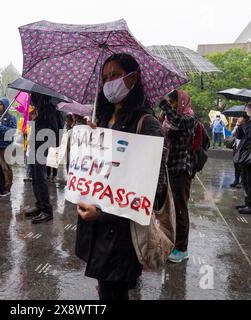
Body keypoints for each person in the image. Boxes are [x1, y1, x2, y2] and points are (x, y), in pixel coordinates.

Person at [75, 53, 168, 300]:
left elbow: (152, 188)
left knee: (113, 292)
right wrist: (92, 141)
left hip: (121, 229)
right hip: (97, 225)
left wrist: (103, 214)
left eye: (115, 75)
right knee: (106, 288)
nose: (109, 83)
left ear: (133, 78)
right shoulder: (103, 119)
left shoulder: (147, 124)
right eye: (105, 78)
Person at [160, 90, 196, 264]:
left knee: (181, 208)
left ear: (181, 102)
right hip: (170, 166)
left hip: (182, 168)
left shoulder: (189, 117)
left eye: (174, 102)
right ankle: (174, 243)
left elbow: (178, 122)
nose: (172, 105)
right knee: (171, 209)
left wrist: (166, 107)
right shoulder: (168, 117)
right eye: (170, 102)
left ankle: (182, 249)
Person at [24, 93, 63, 224]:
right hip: (35, 145)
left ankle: (46, 210)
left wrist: (38, 119)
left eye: (34, 96)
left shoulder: (50, 109)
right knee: (35, 177)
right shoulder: (41, 109)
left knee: (40, 178)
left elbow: (51, 130)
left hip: (42, 147)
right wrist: (35, 118)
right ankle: (39, 205)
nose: (32, 99)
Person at [230, 118, 245, 188]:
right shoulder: (238, 126)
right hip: (236, 147)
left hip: (243, 148)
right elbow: (232, 133)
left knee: (242, 165)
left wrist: (242, 126)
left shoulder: (247, 126)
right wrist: (237, 126)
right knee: (235, 164)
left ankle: (242, 181)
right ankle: (236, 180)